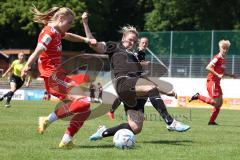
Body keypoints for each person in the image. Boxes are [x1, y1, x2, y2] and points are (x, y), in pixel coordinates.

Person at [81, 12, 190, 142]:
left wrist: (167, 91)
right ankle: (170, 122)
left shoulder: (134, 57)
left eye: (134, 41)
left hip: (134, 89)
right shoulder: (114, 47)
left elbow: (146, 79)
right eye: (130, 39)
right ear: (123, 37)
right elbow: (94, 44)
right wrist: (85, 23)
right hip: (124, 83)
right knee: (149, 88)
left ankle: (103, 132)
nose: (132, 42)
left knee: (135, 127)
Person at [21, 6, 97, 148]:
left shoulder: (57, 31)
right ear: (61, 19)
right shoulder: (49, 32)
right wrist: (27, 65)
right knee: (84, 101)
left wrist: (86, 40)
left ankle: (66, 140)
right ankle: (48, 120)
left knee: (85, 108)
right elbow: (39, 48)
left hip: (59, 75)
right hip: (52, 77)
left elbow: (69, 36)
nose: (69, 26)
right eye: (68, 23)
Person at [189, 40, 236, 125]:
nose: (225, 50)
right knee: (215, 103)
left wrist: (230, 75)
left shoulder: (223, 59)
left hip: (217, 83)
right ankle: (198, 96)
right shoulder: (217, 57)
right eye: (224, 48)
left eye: (227, 48)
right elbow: (208, 67)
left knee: (219, 104)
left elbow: (221, 72)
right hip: (212, 81)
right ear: (220, 48)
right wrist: (217, 74)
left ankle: (211, 121)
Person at [107, 37, 150, 120]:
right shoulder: (137, 52)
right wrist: (144, 63)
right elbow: (136, 63)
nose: (144, 44)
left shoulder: (141, 53)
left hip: (136, 76)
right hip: (127, 77)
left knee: (142, 94)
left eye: (146, 43)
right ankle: (112, 111)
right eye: (143, 42)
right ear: (139, 43)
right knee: (124, 96)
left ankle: (139, 113)